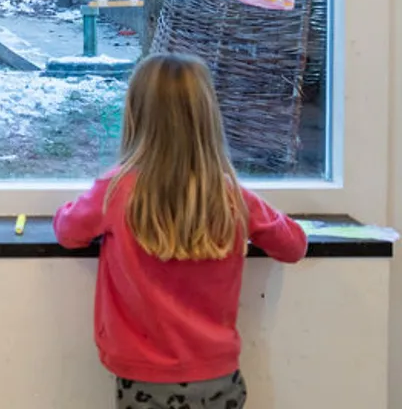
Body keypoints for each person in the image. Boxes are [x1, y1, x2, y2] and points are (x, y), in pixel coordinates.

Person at [54, 53, 307, 409]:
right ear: (206, 118)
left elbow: (68, 231)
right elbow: (293, 245)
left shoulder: (116, 190)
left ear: (137, 116)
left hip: (142, 380)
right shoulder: (231, 195)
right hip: (219, 378)